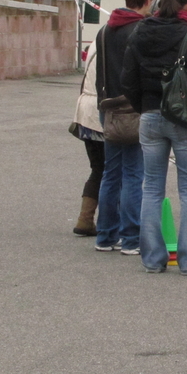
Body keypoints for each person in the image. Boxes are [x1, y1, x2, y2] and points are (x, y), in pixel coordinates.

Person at [121, 0, 187, 275]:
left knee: (151, 188)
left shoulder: (140, 32)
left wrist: (144, 106)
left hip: (150, 116)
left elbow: (128, 79)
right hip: (186, 119)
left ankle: (153, 259)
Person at [93, 0, 157, 255]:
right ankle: (131, 238)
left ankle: (105, 236)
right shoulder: (142, 30)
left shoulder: (105, 30)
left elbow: (99, 74)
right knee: (134, 174)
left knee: (110, 173)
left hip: (108, 108)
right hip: (134, 109)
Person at [70, 41, 104, 236]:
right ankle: (109, 221)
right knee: (116, 171)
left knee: (98, 168)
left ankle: (85, 218)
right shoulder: (124, 37)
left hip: (85, 110)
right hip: (105, 112)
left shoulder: (99, 38)